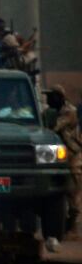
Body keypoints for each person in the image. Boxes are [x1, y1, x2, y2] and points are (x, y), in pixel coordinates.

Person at [47, 85, 82, 233]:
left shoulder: (69, 112)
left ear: (59, 97)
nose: (49, 99)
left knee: (73, 191)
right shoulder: (57, 111)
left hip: (74, 156)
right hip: (61, 155)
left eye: (51, 96)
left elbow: (54, 128)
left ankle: (73, 226)